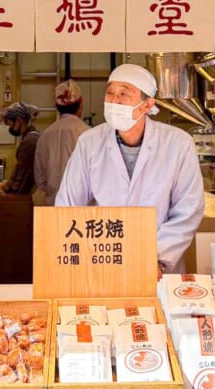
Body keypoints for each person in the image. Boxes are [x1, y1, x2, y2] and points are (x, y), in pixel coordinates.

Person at [55, 63, 205, 273]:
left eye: (124, 94)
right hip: (103, 260)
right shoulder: (89, 142)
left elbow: (188, 210)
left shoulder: (178, 143)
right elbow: (68, 204)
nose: (114, 100)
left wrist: (157, 257)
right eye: (110, 93)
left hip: (158, 268)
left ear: (146, 104)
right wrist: (84, 253)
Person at [33, 79, 89, 205]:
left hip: (52, 206)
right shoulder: (88, 135)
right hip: (81, 207)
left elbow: (40, 179)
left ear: (57, 107)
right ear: (81, 103)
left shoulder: (45, 135)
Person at [1, 101, 40, 195]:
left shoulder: (29, 142)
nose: (10, 129)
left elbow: (20, 181)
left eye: (10, 125)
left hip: (30, 196)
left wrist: (4, 188)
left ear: (19, 120)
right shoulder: (32, 137)